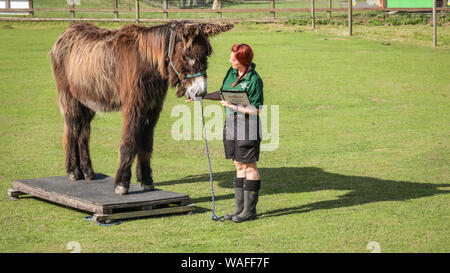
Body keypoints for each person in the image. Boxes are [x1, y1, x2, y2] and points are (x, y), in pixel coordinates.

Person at [187, 43, 263, 223]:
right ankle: (239, 208)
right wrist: (201, 96)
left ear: (243, 61)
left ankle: (249, 211)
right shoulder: (231, 73)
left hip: (248, 125)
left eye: (234, 59)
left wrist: (234, 106)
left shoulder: (254, 79)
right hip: (231, 123)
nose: (230, 61)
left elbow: (257, 109)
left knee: (249, 166)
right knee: (238, 164)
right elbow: (222, 94)